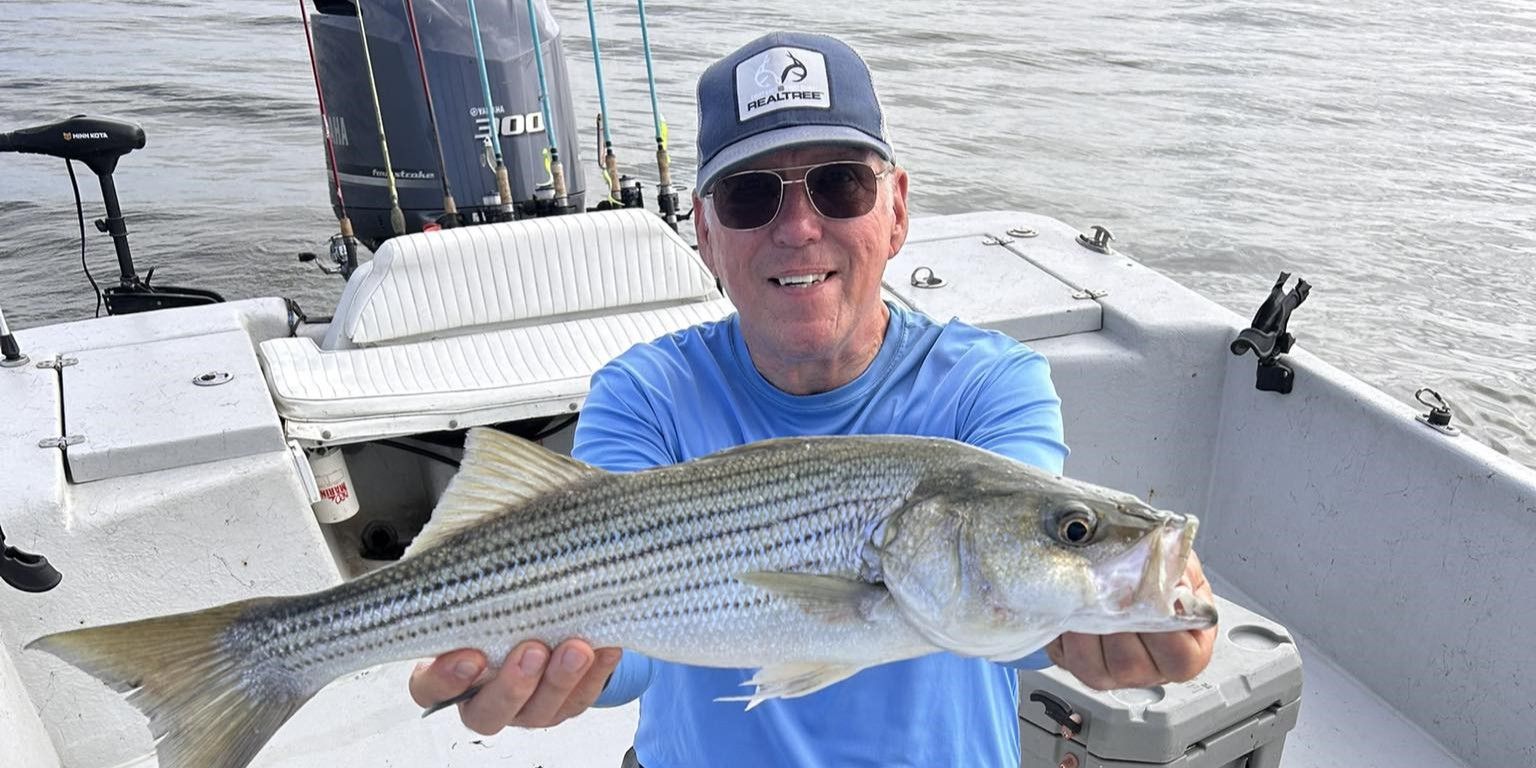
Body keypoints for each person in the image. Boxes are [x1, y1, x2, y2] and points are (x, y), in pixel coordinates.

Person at [410, 30, 1217, 767]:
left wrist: (1083, 627)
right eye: (750, 197)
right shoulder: (645, 392)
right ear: (704, 233)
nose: (798, 227)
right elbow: (639, 644)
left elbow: (992, 621)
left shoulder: (991, 383)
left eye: (838, 186)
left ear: (896, 208)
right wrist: (559, 672)